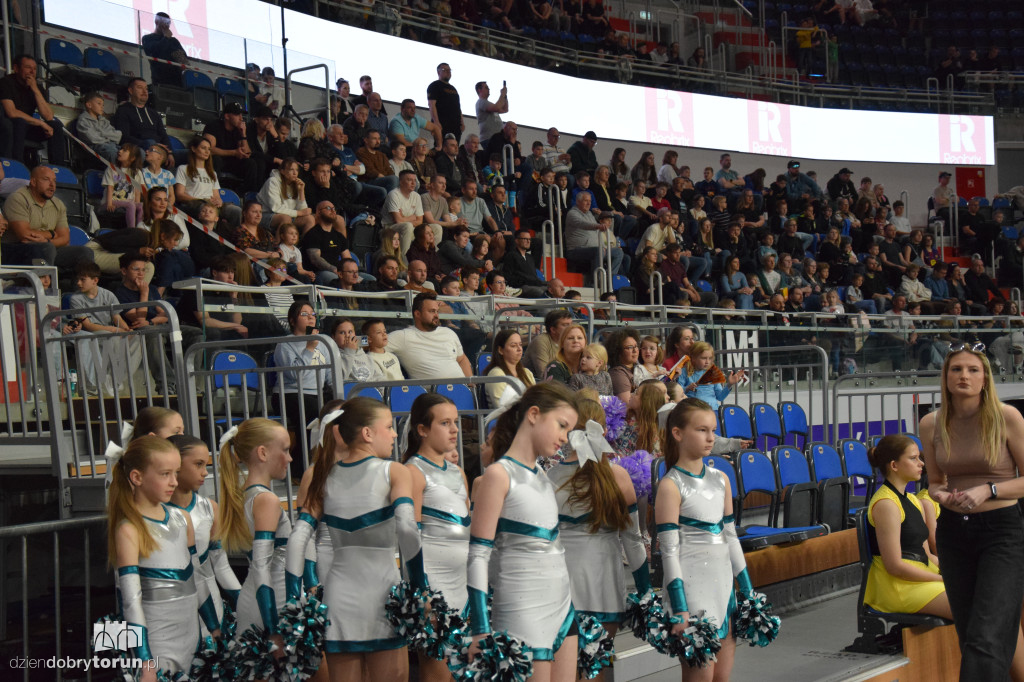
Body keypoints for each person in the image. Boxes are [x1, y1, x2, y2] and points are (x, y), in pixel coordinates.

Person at [284, 397, 416, 681]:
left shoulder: (323, 475)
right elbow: (406, 528)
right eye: (389, 427)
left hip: (339, 594)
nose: (394, 434)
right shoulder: (394, 471)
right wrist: (420, 589)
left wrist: (294, 600)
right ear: (367, 434)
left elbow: (297, 540)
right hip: (383, 593)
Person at [920, 344, 1024, 679]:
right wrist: (943, 497)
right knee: (970, 636)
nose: (964, 375)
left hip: (1002, 532)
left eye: (972, 370)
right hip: (954, 532)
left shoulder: (1006, 416)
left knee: (987, 636)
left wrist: (989, 489)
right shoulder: (931, 423)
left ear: (985, 379)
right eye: (956, 369)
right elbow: (935, 482)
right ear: (946, 377)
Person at [468, 383, 579, 679]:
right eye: (562, 426)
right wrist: (480, 627)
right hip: (523, 609)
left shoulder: (543, 475)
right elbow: (478, 554)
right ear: (533, 414)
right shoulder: (498, 475)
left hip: (563, 606)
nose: (564, 438)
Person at [655, 398, 763, 679]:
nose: (711, 437)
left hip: (724, 591)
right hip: (691, 595)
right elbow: (668, 551)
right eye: (702, 430)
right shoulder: (670, 485)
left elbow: (730, 537)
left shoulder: (721, 478)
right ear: (677, 433)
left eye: (713, 430)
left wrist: (748, 592)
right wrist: (680, 608)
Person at [547, 402, 649, 672]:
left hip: (561, 585)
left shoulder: (549, 477)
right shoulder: (618, 476)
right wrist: (646, 592)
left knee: (565, 670)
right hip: (604, 584)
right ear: (604, 429)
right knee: (597, 667)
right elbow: (634, 541)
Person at [106, 436, 210, 678]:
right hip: (156, 637)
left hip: (191, 632)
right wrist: (145, 662)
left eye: (176, 473)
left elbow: (200, 576)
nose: (174, 482)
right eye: (165, 474)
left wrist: (212, 627)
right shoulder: (129, 528)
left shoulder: (181, 518)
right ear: (137, 477)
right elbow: (131, 601)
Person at [403, 393, 470, 680]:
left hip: (465, 585)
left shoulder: (458, 472)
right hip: (434, 586)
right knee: (438, 673)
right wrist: (422, 592)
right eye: (445, 423)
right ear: (422, 430)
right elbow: (408, 537)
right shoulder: (411, 472)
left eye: (455, 422)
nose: (454, 429)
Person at [863, 434, 950, 619]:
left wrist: (956, 571)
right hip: (899, 586)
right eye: (913, 458)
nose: (921, 464)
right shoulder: (886, 503)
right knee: (976, 604)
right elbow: (895, 566)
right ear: (894, 465)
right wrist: (943, 579)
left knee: (987, 592)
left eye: (919, 458)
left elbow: (927, 555)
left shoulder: (913, 500)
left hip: (920, 577)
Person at [167, 435, 242, 637]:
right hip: (170, 605)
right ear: (175, 464)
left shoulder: (209, 508)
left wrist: (242, 598)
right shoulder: (154, 513)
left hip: (210, 597)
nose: (204, 472)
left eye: (206, 465)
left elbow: (220, 563)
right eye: (198, 464)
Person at [273, 301, 331, 478]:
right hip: (290, 394)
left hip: (317, 393)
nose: (310, 317)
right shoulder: (285, 344)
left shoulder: (324, 343)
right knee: (314, 415)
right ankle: (300, 469)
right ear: (292, 320)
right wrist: (309, 348)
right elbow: (293, 374)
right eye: (304, 314)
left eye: (312, 313)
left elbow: (330, 374)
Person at [0, 166, 93, 273]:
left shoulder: (58, 204)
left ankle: (80, 289)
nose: (52, 185)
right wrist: (52, 234)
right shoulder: (18, 198)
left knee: (85, 252)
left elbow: (65, 238)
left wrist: (48, 240)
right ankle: (45, 287)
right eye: (46, 179)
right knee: (46, 248)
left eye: (54, 181)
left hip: (48, 247)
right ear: (33, 182)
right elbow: (24, 235)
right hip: (16, 249)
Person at [0, 54, 66, 165]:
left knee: (56, 125)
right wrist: (40, 123)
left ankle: (58, 169)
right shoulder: (5, 82)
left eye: (34, 68)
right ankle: (18, 165)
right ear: (16, 68)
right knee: (20, 122)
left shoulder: (37, 87)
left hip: (27, 128)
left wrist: (35, 89)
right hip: (9, 126)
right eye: (28, 67)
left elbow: (49, 116)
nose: (32, 71)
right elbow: (12, 112)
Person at [389, 291, 472, 379]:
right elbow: (375, 346)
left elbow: (462, 359)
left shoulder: (448, 332)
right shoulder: (403, 336)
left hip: (461, 389)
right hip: (430, 392)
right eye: (432, 311)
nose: (436, 315)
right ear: (417, 314)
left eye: (437, 311)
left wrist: (471, 385)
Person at [175, 137, 242, 225]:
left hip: (211, 204)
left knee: (236, 211)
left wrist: (219, 201)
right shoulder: (183, 169)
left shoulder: (212, 173)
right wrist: (202, 200)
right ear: (194, 149)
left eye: (209, 149)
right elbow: (180, 195)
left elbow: (216, 196)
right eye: (203, 148)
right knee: (206, 210)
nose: (207, 152)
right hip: (195, 203)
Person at [203, 102, 261, 191]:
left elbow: (247, 153)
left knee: (251, 163)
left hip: (232, 162)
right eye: (237, 115)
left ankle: (246, 196)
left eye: (241, 115)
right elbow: (209, 150)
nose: (241, 118)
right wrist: (234, 152)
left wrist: (243, 134)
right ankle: (213, 192)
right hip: (217, 161)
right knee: (215, 160)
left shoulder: (238, 130)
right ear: (227, 116)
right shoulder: (214, 126)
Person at [565, 193, 625, 277]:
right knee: (598, 251)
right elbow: (583, 224)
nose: (589, 203)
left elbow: (597, 233)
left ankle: (609, 278)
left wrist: (604, 246)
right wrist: (597, 226)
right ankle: (597, 280)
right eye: (586, 201)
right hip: (576, 250)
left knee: (619, 252)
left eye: (590, 201)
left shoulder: (590, 214)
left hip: (596, 249)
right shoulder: (572, 213)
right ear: (578, 202)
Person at [677, 341, 745, 411]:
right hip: (694, 411)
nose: (707, 362)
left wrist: (729, 384)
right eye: (703, 358)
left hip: (712, 410)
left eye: (710, 358)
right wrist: (687, 388)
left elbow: (720, 397)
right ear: (693, 358)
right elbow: (677, 394)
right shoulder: (684, 372)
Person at [300, 201, 353, 285]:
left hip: (338, 272)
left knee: (369, 279)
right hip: (319, 273)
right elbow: (315, 259)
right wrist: (334, 270)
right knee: (337, 279)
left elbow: (347, 258)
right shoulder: (312, 234)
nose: (333, 211)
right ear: (318, 212)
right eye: (328, 208)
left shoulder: (339, 236)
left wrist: (352, 272)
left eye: (334, 208)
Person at [256, 158, 315, 234]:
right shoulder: (272, 181)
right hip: (266, 215)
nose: (295, 173)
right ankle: (278, 244)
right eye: (291, 170)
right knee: (285, 218)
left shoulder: (295, 184)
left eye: (296, 170)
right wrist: (299, 213)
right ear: (282, 171)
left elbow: (303, 210)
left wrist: (301, 191)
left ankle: (307, 245)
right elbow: (276, 208)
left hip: (289, 216)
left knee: (310, 218)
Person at [113, 78, 172, 151]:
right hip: (139, 150)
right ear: (131, 91)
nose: (144, 91)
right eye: (140, 88)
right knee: (150, 142)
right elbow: (123, 137)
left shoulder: (153, 113)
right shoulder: (123, 111)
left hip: (159, 151)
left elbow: (164, 136)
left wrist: (170, 153)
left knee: (187, 153)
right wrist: (148, 144)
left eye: (146, 89)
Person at [482, 329, 535, 408]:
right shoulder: (496, 374)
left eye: (520, 345)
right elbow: (502, 407)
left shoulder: (527, 372)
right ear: (500, 350)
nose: (519, 349)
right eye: (513, 345)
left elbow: (537, 399)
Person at [141, 12, 188, 86]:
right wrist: (166, 37)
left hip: (178, 82)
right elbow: (155, 53)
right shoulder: (147, 38)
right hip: (160, 81)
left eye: (168, 23)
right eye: (164, 22)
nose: (166, 25)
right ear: (156, 22)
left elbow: (183, 59)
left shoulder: (173, 41)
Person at [523, 309, 573, 377]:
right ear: (553, 329)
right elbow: (544, 374)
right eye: (565, 325)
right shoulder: (540, 341)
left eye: (571, 324)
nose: (571, 328)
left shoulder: (569, 342)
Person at [77, 91, 122, 163]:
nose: (102, 107)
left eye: (103, 105)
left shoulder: (103, 121)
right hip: (95, 149)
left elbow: (117, 135)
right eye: (99, 103)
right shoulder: (83, 121)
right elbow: (92, 138)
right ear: (89, 105)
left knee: (134, 152)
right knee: (112, 151)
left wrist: (100, 133)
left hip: (111, 145)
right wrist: (107, 137)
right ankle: (115, 174)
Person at [427, 62, 464, 141]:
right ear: (438, 72)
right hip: (442, 124)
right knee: (441, 147)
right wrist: (436, 122)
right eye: (444, 70)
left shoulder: (453, 89)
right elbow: (431, 105)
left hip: (456, 126)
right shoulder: (434, 86)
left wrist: (462, 122)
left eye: (449, 70)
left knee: (454, 148)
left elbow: (458, 107)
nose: (448, 72)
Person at [606, 328, 641, 403]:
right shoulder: (617, 373)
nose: (635, 350)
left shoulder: (638, 368)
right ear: (617, 352)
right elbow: (627, 404)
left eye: (636, 346)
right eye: (630, 347)